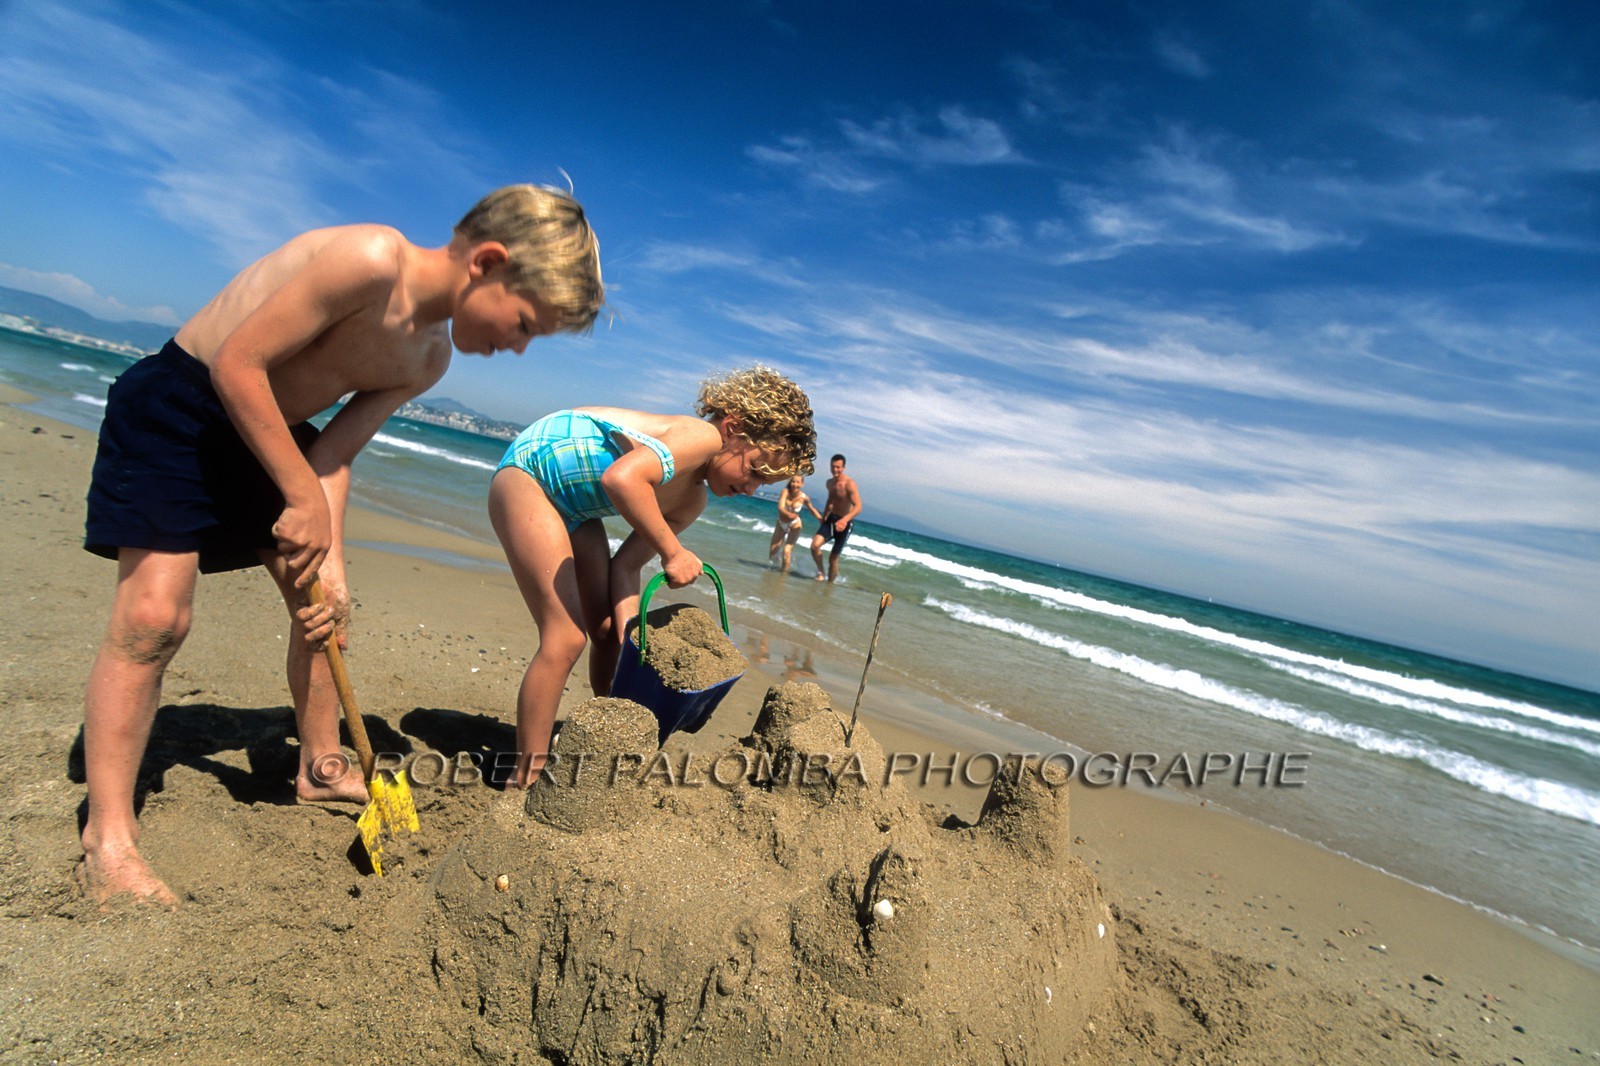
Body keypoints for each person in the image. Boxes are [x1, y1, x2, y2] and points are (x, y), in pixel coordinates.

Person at [79, 184, 604, 907]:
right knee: (154, 620)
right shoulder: (368, 260)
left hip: (272, 440)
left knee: (330, 608)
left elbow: (332, 455)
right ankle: (107, 840)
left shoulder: (428, 359)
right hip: (183, 408)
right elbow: (237, 364)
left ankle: (319, 766)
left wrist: (329, 559)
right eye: (524, 324)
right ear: (487, 262)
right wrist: (298, 496)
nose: (517, 346)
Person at [489, 368, 816, 788]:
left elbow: (625, 567)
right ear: (734, 430)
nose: (752, 489)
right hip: (531, 475)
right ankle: (526, 779)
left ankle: (607, 736)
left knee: (610, 632)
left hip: (575, 511)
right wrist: (674, 553)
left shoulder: (691, 500)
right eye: (753, 470)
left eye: (763, 483)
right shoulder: (702, 436)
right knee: (565, 638)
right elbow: (621, 478)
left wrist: (633, 634)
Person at [809, 453, 862, 583]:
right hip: (831, 520)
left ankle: (829, 585)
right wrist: (824, 517)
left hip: (845, 523)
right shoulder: (830, 483)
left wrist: (844, 520)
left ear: (843, 468)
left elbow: (858, 507)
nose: (835, 470)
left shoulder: (849, 484)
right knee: (815, 546)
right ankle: (821, 571)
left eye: (838, 467)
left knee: (833, 558)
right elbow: (830, 500)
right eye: (833, 467)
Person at [767, 474, 822, 572]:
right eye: (793, 481)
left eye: (798, 482)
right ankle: (772, 573)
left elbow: (812, 509)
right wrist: (788, 514)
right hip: (781, 523)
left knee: (786, 551)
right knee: (773, 553)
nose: (795, 484)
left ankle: (783, 575)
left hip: (795, 524)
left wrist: (820, 519)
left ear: (802, 484)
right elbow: (780, 507)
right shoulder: (785, 492)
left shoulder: (804, 498)